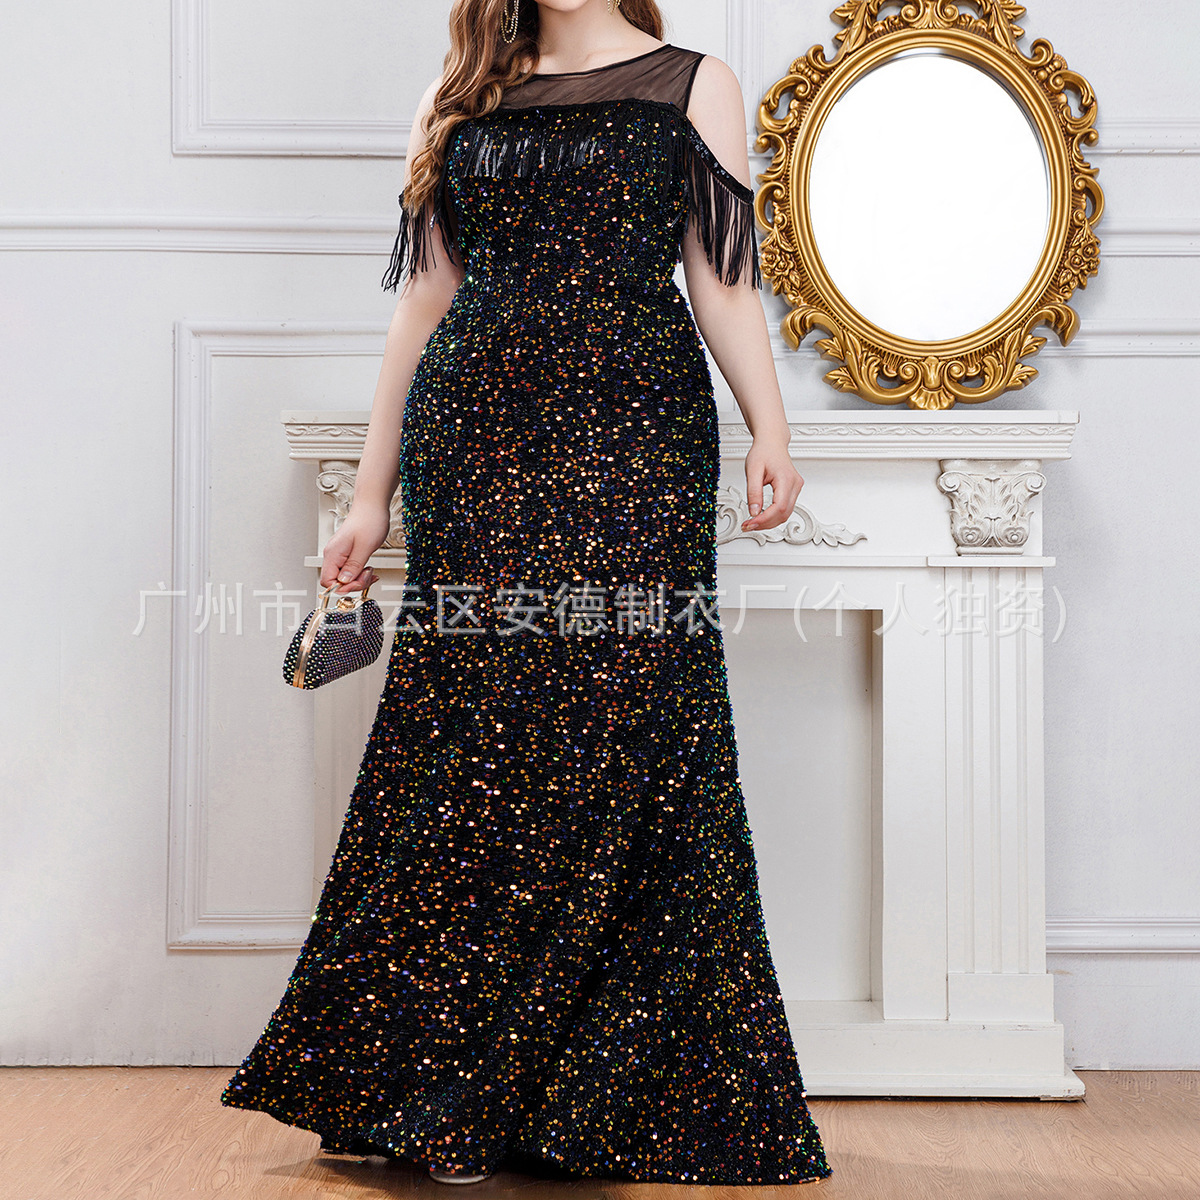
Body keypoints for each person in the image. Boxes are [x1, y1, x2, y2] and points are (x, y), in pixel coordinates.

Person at [220, 0, 832, 1186]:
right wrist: (370, 497)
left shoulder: (694, 83)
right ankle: (443, 1086)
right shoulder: (460, 94)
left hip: (636, 429)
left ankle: (590, 1094)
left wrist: (772, 426)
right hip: (479, 432)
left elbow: (721, 281)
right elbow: (422, 302)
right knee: (472, 740)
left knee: (633, 730)